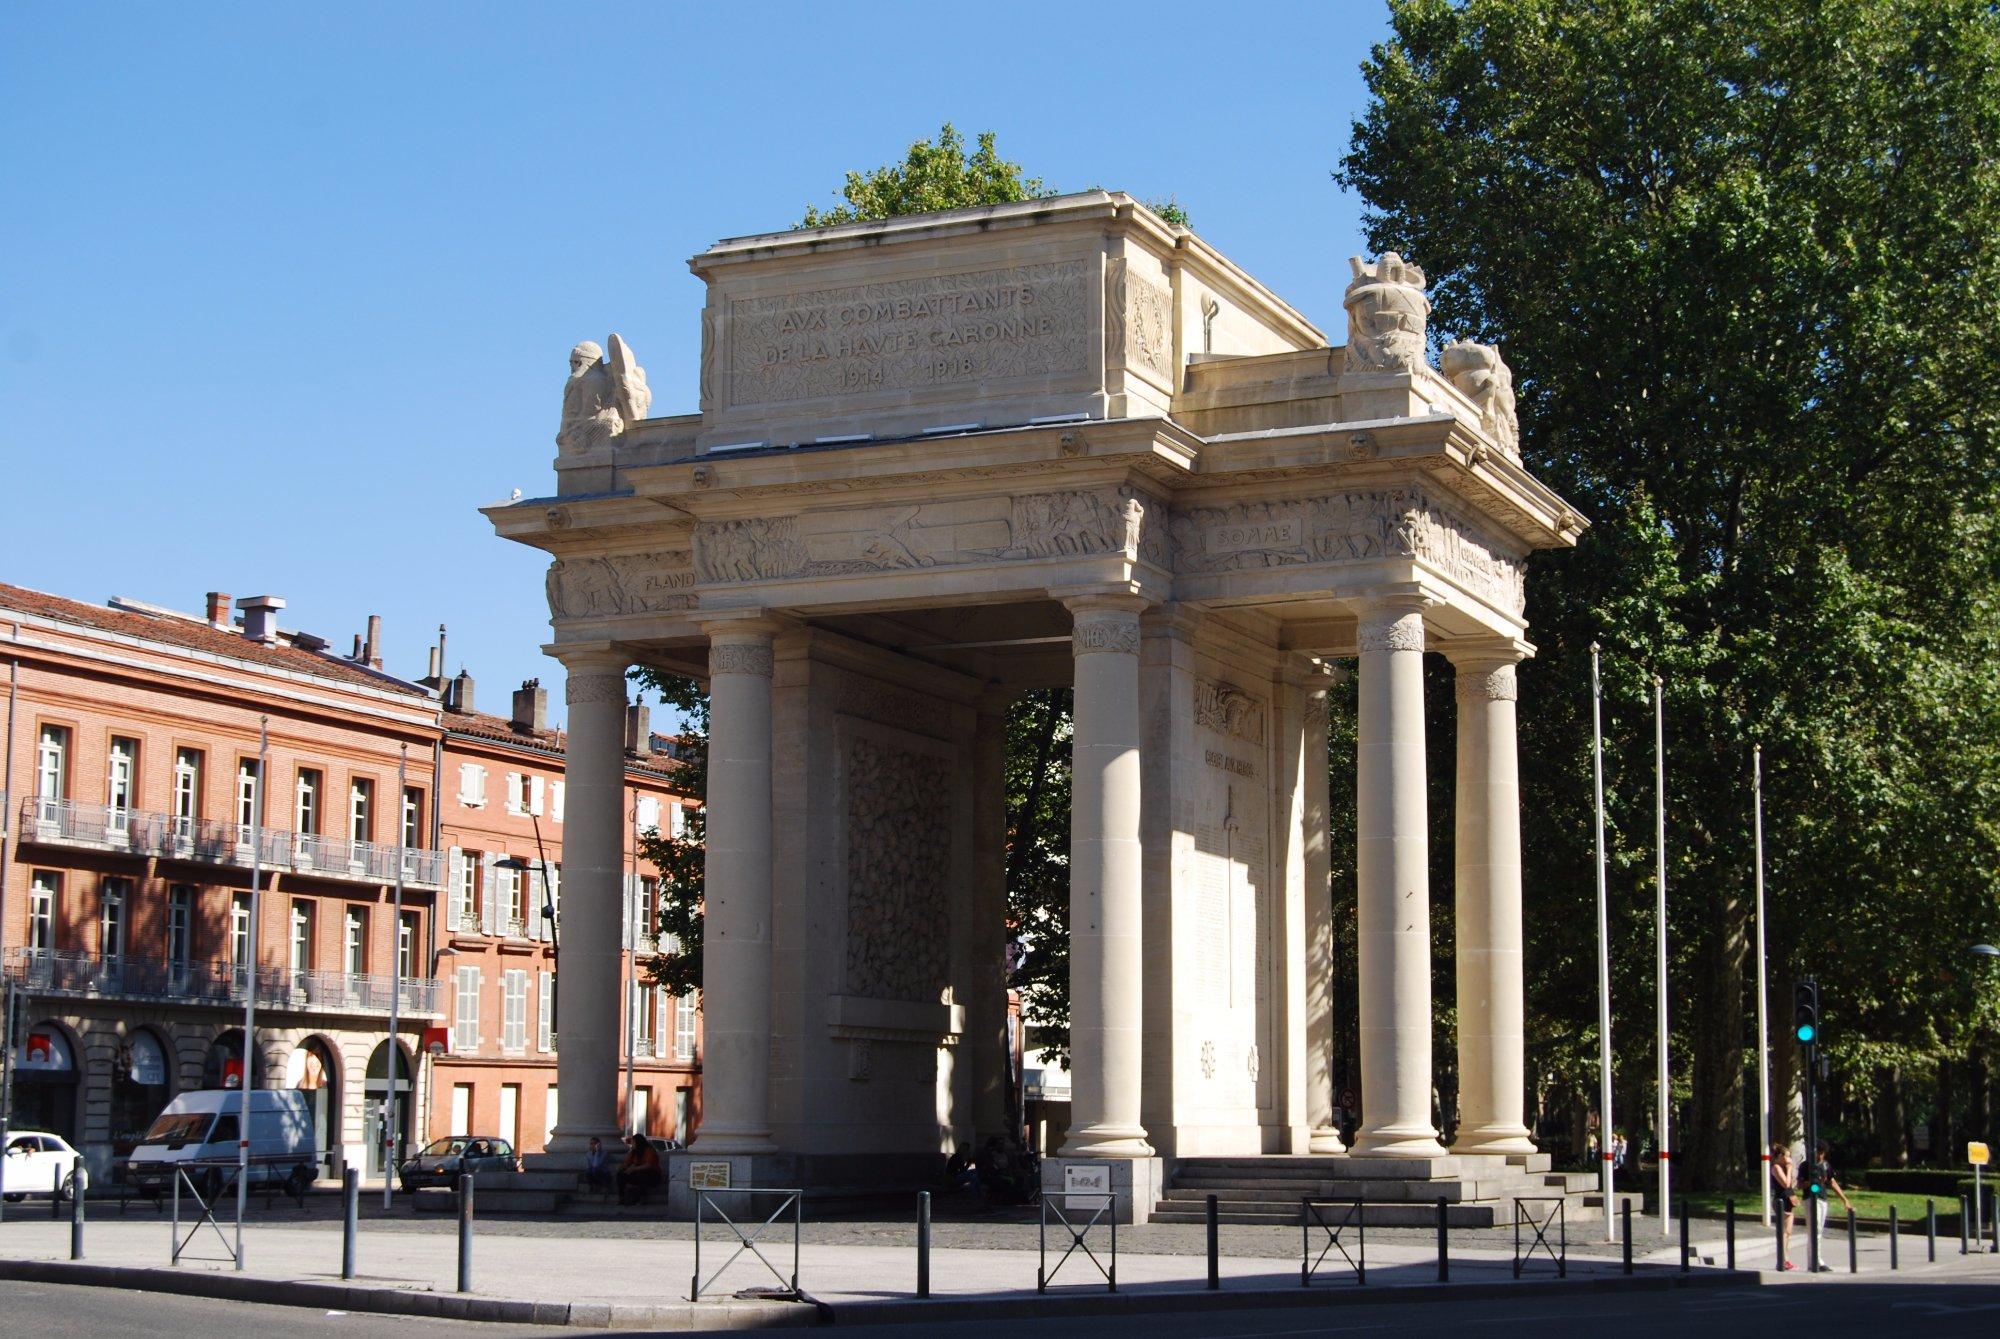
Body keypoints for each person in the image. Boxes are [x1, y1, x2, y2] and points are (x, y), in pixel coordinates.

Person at [1809, 1140, 1854, 1270]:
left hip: (1823, 1198)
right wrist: (1815, 1187)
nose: (1820, 1156)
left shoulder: (1825, 1165)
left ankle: (1815, 1261)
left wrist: (1844, 1199)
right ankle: (1817, 1261)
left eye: (1822, 1153)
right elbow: (1802, 1185)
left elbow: (1832, 1182)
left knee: (1819, 1230)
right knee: (1815, 1230)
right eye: (1819, 1152)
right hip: (1812, 1199)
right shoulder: (1808, 1165)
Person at [1770, 1142, 1798, 1271]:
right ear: (1780, 1156)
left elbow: (1791, 1184)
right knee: (1783, 1232)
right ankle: (1782, 1259)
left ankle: (1786, 1259)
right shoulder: (1776, 1167)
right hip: (1780, 1200)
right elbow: (1786, 1184)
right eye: (1787, 1156)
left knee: (1788, 1231)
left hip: (1787, 1201)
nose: (1789, 1159)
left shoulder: (1784, 1168)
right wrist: (1790, 1168)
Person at [616, 1132, 662, 1206]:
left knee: (642, 1174)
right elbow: (627, 1162)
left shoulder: (649, 1150)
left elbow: (649, 1165)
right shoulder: (633, 1152)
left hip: (652, 1175)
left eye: (633, 1142)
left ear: (638, 1142)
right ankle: (621, 1197)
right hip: (638, 1173)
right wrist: (623, 1167)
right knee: (621, 1174)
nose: (632, 1144)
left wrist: (634, 1168)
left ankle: (642, 1198)